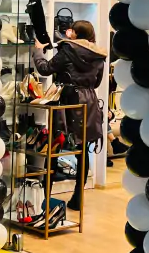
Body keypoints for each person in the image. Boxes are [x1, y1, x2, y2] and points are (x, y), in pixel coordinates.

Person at [33, 20, 107, 211]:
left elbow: (45, 69)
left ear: (75, 33)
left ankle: (46, 198)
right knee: (83, 149)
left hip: (66, 100)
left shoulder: (67, 50)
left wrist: (38, 51)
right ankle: (78, 197)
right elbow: (97, 83)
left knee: (54, 147)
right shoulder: (98, 55)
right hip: (88, 101)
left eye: (71, 30)